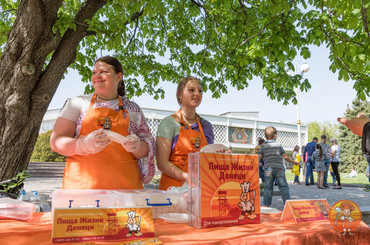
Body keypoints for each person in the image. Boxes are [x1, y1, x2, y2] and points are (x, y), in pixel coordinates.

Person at [50, 56, 155, 189]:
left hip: (125, 190)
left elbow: (147, 149)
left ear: (118, 76)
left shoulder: (133, 109)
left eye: (104, 72)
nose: (97, 76)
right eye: (94, 73)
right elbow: (56, 142)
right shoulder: (77, 104)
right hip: (82, 189)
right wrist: (83, 145)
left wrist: (136, 146)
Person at [156, 76, 214, 190]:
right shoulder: (168, 123)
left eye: (200, 91)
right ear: (180, 94)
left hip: (198, 191)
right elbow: (162, 163)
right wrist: (188, 178)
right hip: (172, 192)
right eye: (191, 90)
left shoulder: (207, 127)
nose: (197, 93)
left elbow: (209, 161)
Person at [257, 126, 299, 206]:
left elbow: (258, 158)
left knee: (268, 187)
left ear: (265, 136)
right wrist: (294, 162)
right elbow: (285, 157)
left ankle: (266, 205)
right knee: (283, 186)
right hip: (279, 169)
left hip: (268, 170)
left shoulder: (263, 146)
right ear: (275, 135)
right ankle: (287, 205)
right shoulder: (278, 145)